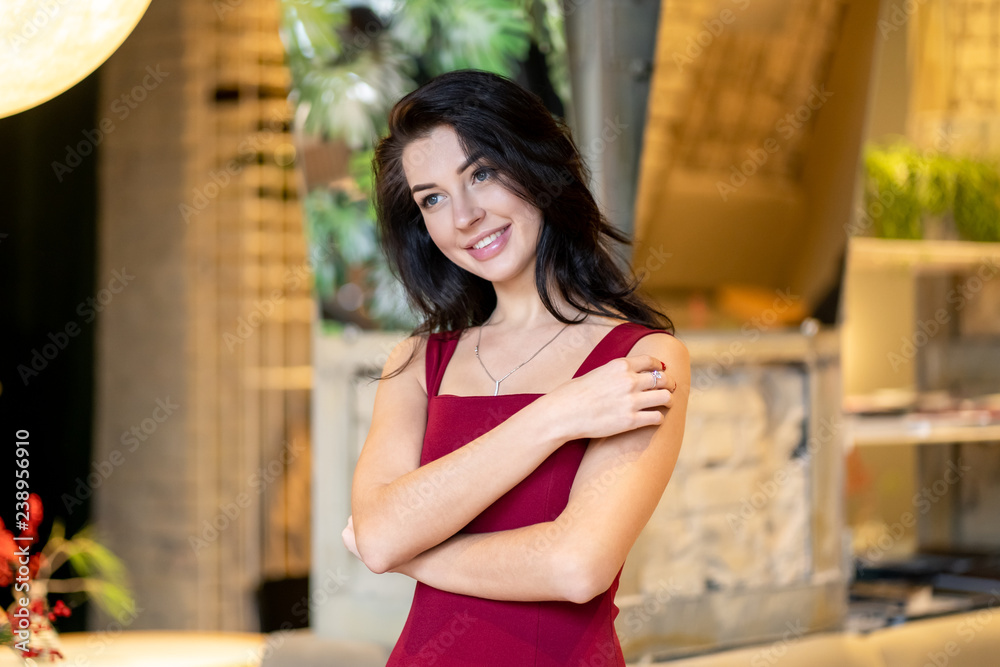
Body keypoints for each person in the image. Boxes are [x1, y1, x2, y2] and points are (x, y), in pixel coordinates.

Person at [342, 69, 689, 666]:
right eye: (432, 198)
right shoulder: (418, 363)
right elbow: (377, 536)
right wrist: (557, 414)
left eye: (481, 173)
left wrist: (411, 552)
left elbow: (577, 566)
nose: (464, 215)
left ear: (537, 165)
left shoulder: (642, 359)